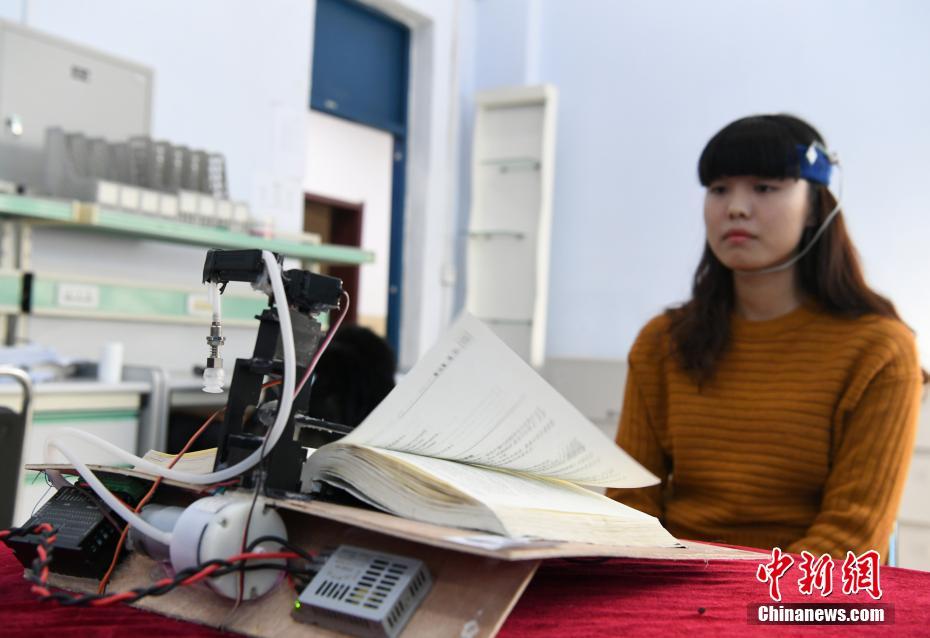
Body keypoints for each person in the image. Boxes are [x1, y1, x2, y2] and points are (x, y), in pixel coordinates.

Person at [606, 114, 923, 560]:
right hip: (672, 581)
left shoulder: (880, 351)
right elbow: (630, 503)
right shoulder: (662, 342)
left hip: (798, 600)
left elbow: (852, 533)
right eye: (719, 189)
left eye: (764, 188)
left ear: (815, 206)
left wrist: (744, 605)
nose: (735, 207)